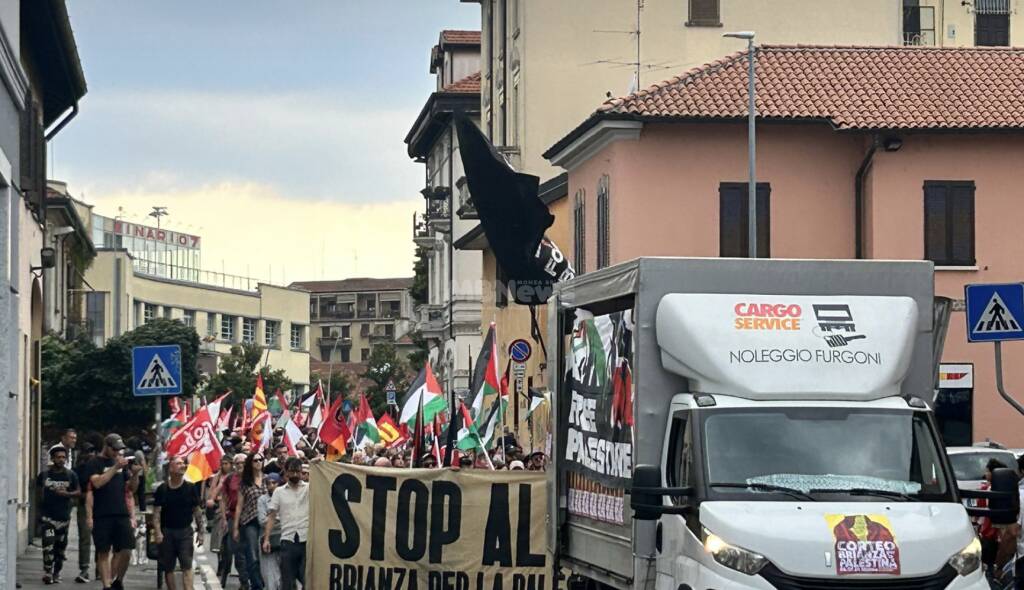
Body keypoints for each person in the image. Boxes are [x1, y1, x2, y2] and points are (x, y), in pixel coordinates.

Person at [85, 433, 142, 590]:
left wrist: (135, 475)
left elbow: (131, 488)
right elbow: (97, 483)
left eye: (119, 450)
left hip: (121, 512)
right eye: (114, 449)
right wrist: (115, 467)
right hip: (102, 514)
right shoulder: (94, 463)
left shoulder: (120, 464)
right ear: (106, 447)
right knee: (103, 551)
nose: (117, 453)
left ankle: (118, 579)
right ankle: (106, 585)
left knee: (127, 548)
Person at [153, 456, 204, 590]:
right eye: (178, 463)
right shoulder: (162, 489)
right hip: (167, 533)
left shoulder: (190, 488)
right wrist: (157, 532)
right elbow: (156, 513)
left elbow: (197, 511)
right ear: (170, 468)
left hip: (185, 532)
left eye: (183, 463)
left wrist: (201, 532)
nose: (182, 466)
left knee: (187, 566)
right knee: (168, 568)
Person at [37, 446, 81, 584]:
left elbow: (79, 492)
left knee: (60, 549)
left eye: (63, 457)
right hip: (48, 518)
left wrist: (67, 494)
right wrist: (37, 515)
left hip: (63, 518)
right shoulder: (44, 476)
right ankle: (48, 571)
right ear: (53, 459)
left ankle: (57, 572)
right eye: (58, 457)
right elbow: (37, 495)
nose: (61, 460)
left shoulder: (71, 475)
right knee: (48, 545)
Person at [263, 458, 308, 590]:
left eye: (297, 472)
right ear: (286, 473)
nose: (295, 475)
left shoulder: (310, 489)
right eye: (291, 472)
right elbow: (271, 516)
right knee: (287, 580)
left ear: (301, 472)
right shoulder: (279, 492)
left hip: (307, 540)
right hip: (287, 540)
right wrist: (266, 539)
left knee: (307, 578)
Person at [233, 453, 266, 590]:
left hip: (267, 522)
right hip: (250, 521)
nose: (258, 462)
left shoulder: (269, 479)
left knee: (266, 555)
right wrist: (235, 527)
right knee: (252, 555)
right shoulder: (245, 483)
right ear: (250, 464)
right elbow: (239, 506)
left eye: (261, 460)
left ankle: (268, 583)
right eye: (255, 460)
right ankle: (257, 586)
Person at [218, 453, 247, 588]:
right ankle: (227, 576)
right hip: (232, 517)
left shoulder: (251, 478)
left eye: (243, 463)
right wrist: (223, 518)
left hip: (248, 518)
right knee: (232, 550)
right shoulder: (230, 479)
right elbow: (223, 499)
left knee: (246, 552)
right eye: (238, 463)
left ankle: (245, 581)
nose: (240, 465)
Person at [72, 442, 97, 583]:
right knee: (85, 538)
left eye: (92, 451)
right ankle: (85, 568)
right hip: (84, 504)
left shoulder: (98, 468)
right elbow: (76, 489)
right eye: (87, 452)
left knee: (98, 538)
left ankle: (96, 568)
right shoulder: (79, 470)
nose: (90, 454)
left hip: (97, 505)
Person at [257, 473, 283, 590]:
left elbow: (289, 517)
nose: (271, 486)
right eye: (268, 483)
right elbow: (262, 520)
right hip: (268, 538)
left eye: (274, 483)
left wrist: (271, 517)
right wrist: (277, 517)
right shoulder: (262, 500)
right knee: (269, 576)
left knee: (283, 575)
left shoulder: (285, 497)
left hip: (284, 538)